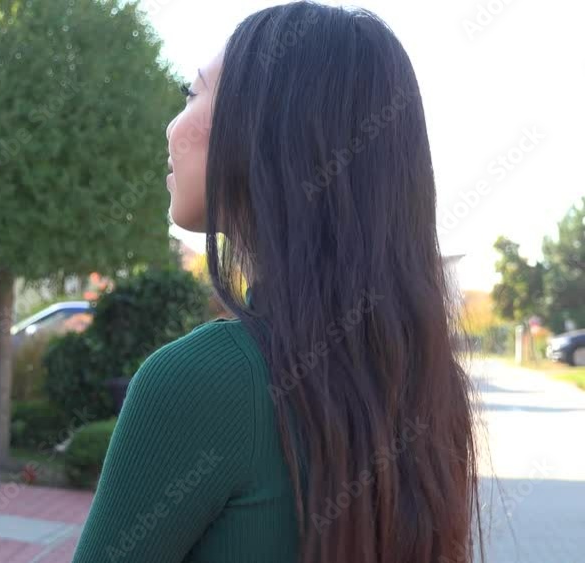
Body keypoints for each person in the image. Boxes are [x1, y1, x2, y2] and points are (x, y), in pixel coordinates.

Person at [71, 2, 481, 562]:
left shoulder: (200, 382)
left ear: (262, 133)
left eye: (191, 94)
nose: (171, 127)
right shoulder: (427, 383)